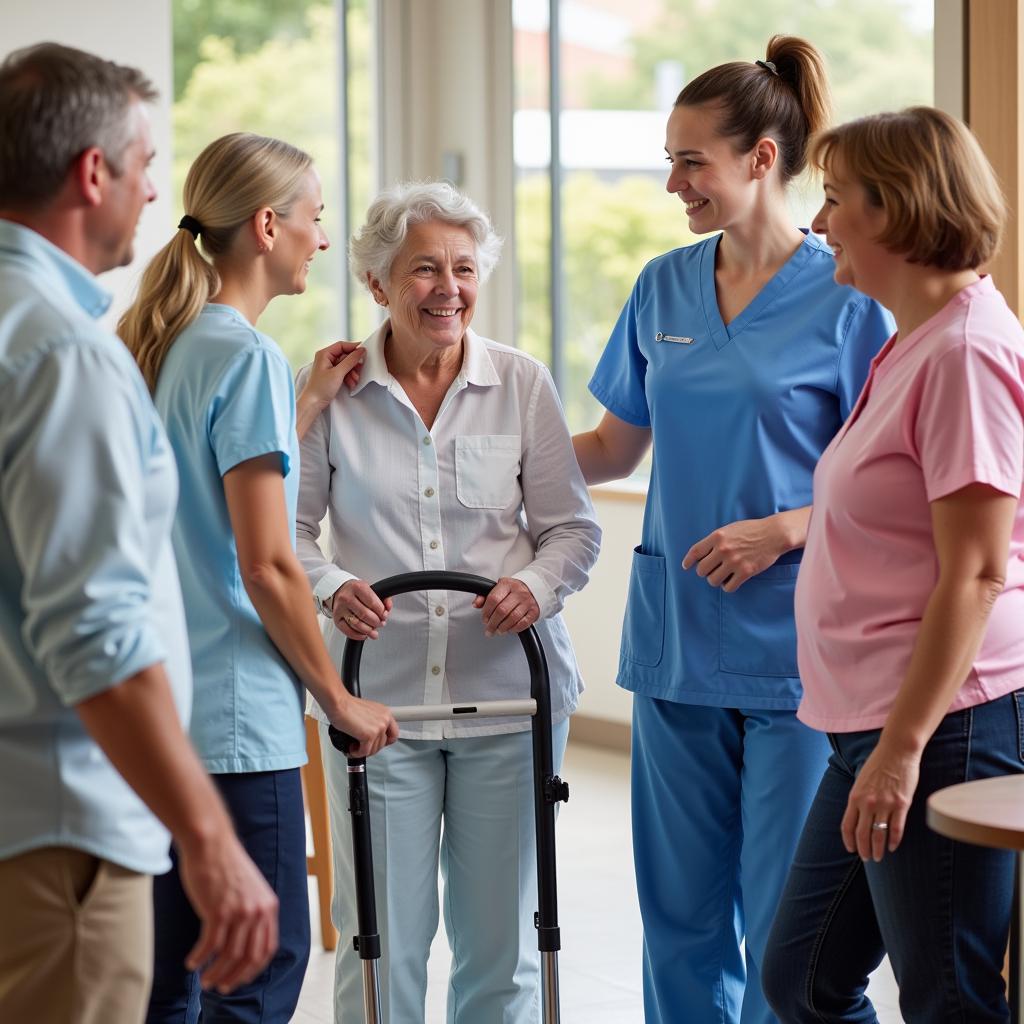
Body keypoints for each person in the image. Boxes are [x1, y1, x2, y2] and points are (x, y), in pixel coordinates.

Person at [572, 36, 894, 1024]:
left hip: (797, 657)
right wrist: (455, 424)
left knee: (783, 925)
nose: (673, 182)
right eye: (668, 159)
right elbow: (610, 449)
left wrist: (785, 529)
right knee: (678, 918)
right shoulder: (661, 286)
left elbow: (887, 487)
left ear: (761, 157)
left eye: (689, 160)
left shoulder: (848, 299)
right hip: (674, 642)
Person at [0, 43, 279, 1024]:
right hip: (60, 831)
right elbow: (96, 631)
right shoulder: (62, 353)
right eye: (145, 165)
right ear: (92, 173)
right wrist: (207, 836)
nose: (156, 191)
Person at [295, 180, 601, 1023]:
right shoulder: (332, 390)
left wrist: (533, 588)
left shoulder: (521, 383)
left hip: (510, 698)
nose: (449, 288)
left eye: (464, 268)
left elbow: (573, 531)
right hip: (374, 703)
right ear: (378, 283)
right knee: (380, 940)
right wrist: (330, 587)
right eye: (424, 268)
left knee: (502, 947)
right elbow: (286, 534)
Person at [118, 132, 398, 1023]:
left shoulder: (162, 345)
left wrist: (301, 400)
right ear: (268, 224)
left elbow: (190, 488)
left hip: (163, 715)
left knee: (172, 977)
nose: (322, 240)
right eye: (315, 219)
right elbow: (268, 562)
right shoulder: (243, 359)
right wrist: (335, 699)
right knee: (257, 974)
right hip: (241, 729)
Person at [761, 106, 1024, 1023]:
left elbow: (978, 571)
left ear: (899, 210)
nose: (819, 222)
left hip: (943, 720)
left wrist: (903, 751)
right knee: (800, 979)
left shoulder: (963, 352)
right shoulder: (914, 341)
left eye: (835, 200)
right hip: (877, 722)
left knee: (948, 994)